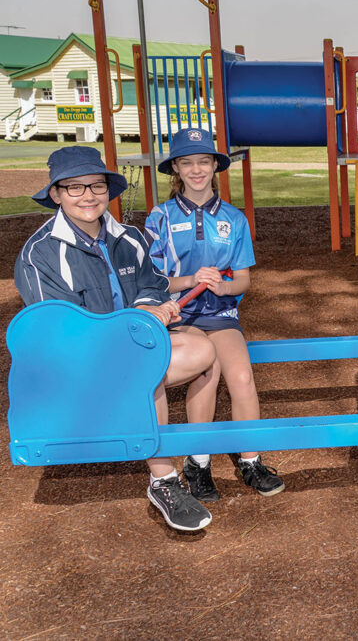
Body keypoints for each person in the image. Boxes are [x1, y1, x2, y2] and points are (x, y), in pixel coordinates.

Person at [15, 145, 219, 532]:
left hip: (128, 345)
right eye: (73, 187)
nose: (87, 195)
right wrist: (136, 321)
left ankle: (197, 458)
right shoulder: (38, 255)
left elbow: (154, 286)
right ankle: (163, 480)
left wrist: (154, 308)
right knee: (145, 369)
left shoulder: (129, 237)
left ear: (109, 190)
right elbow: (58, 332)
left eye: (95, 185)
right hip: (78, 364)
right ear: (56, 194)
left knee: (203, 348)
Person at [145, 128, 284, 502]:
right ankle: (199, 461)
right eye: (187, 162)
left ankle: (250, 458)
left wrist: (224, 287)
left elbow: (243, 280)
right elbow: (153, 281)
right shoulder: (159, 218)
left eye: (203, 162)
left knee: (241, 376)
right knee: (207, 375)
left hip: (220, 315)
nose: (196, 170)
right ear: (175, 167)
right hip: (178, 315)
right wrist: (190, 280)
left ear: (214, 166)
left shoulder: (235, 219)